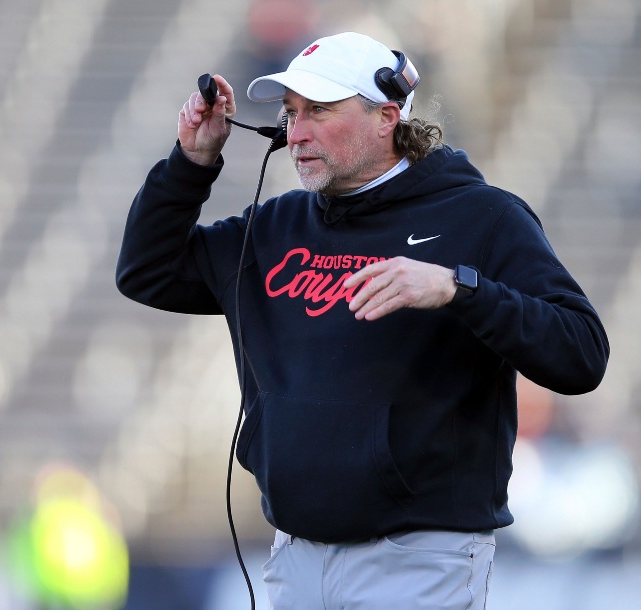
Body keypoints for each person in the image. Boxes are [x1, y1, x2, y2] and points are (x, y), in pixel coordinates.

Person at [116, 31, 609, 610]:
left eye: (320, 111)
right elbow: (147, 271)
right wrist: (191, 163)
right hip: (295, 554)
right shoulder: (277, 225)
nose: (296, 132)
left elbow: (581, 353)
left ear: (387, 116)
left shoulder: (484, 217)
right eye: (290, 113)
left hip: (418, 556)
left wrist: (457, 288)